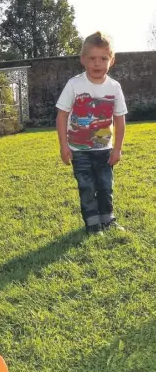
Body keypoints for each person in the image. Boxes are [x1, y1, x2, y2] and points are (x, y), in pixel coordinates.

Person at [56, 32, 127, 235]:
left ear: (111, 60)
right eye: (92, 58)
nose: (97, 64)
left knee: (106, 187)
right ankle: (93, 225)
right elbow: (62, 116)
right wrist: (64, 146)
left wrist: (118, 149)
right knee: (86, 188)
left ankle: (108, 220)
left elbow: (120, 120)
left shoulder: (114, 88)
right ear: (83, 60)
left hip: (105, 150)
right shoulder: (74, 85)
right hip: (79, 151)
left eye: (103, 58)